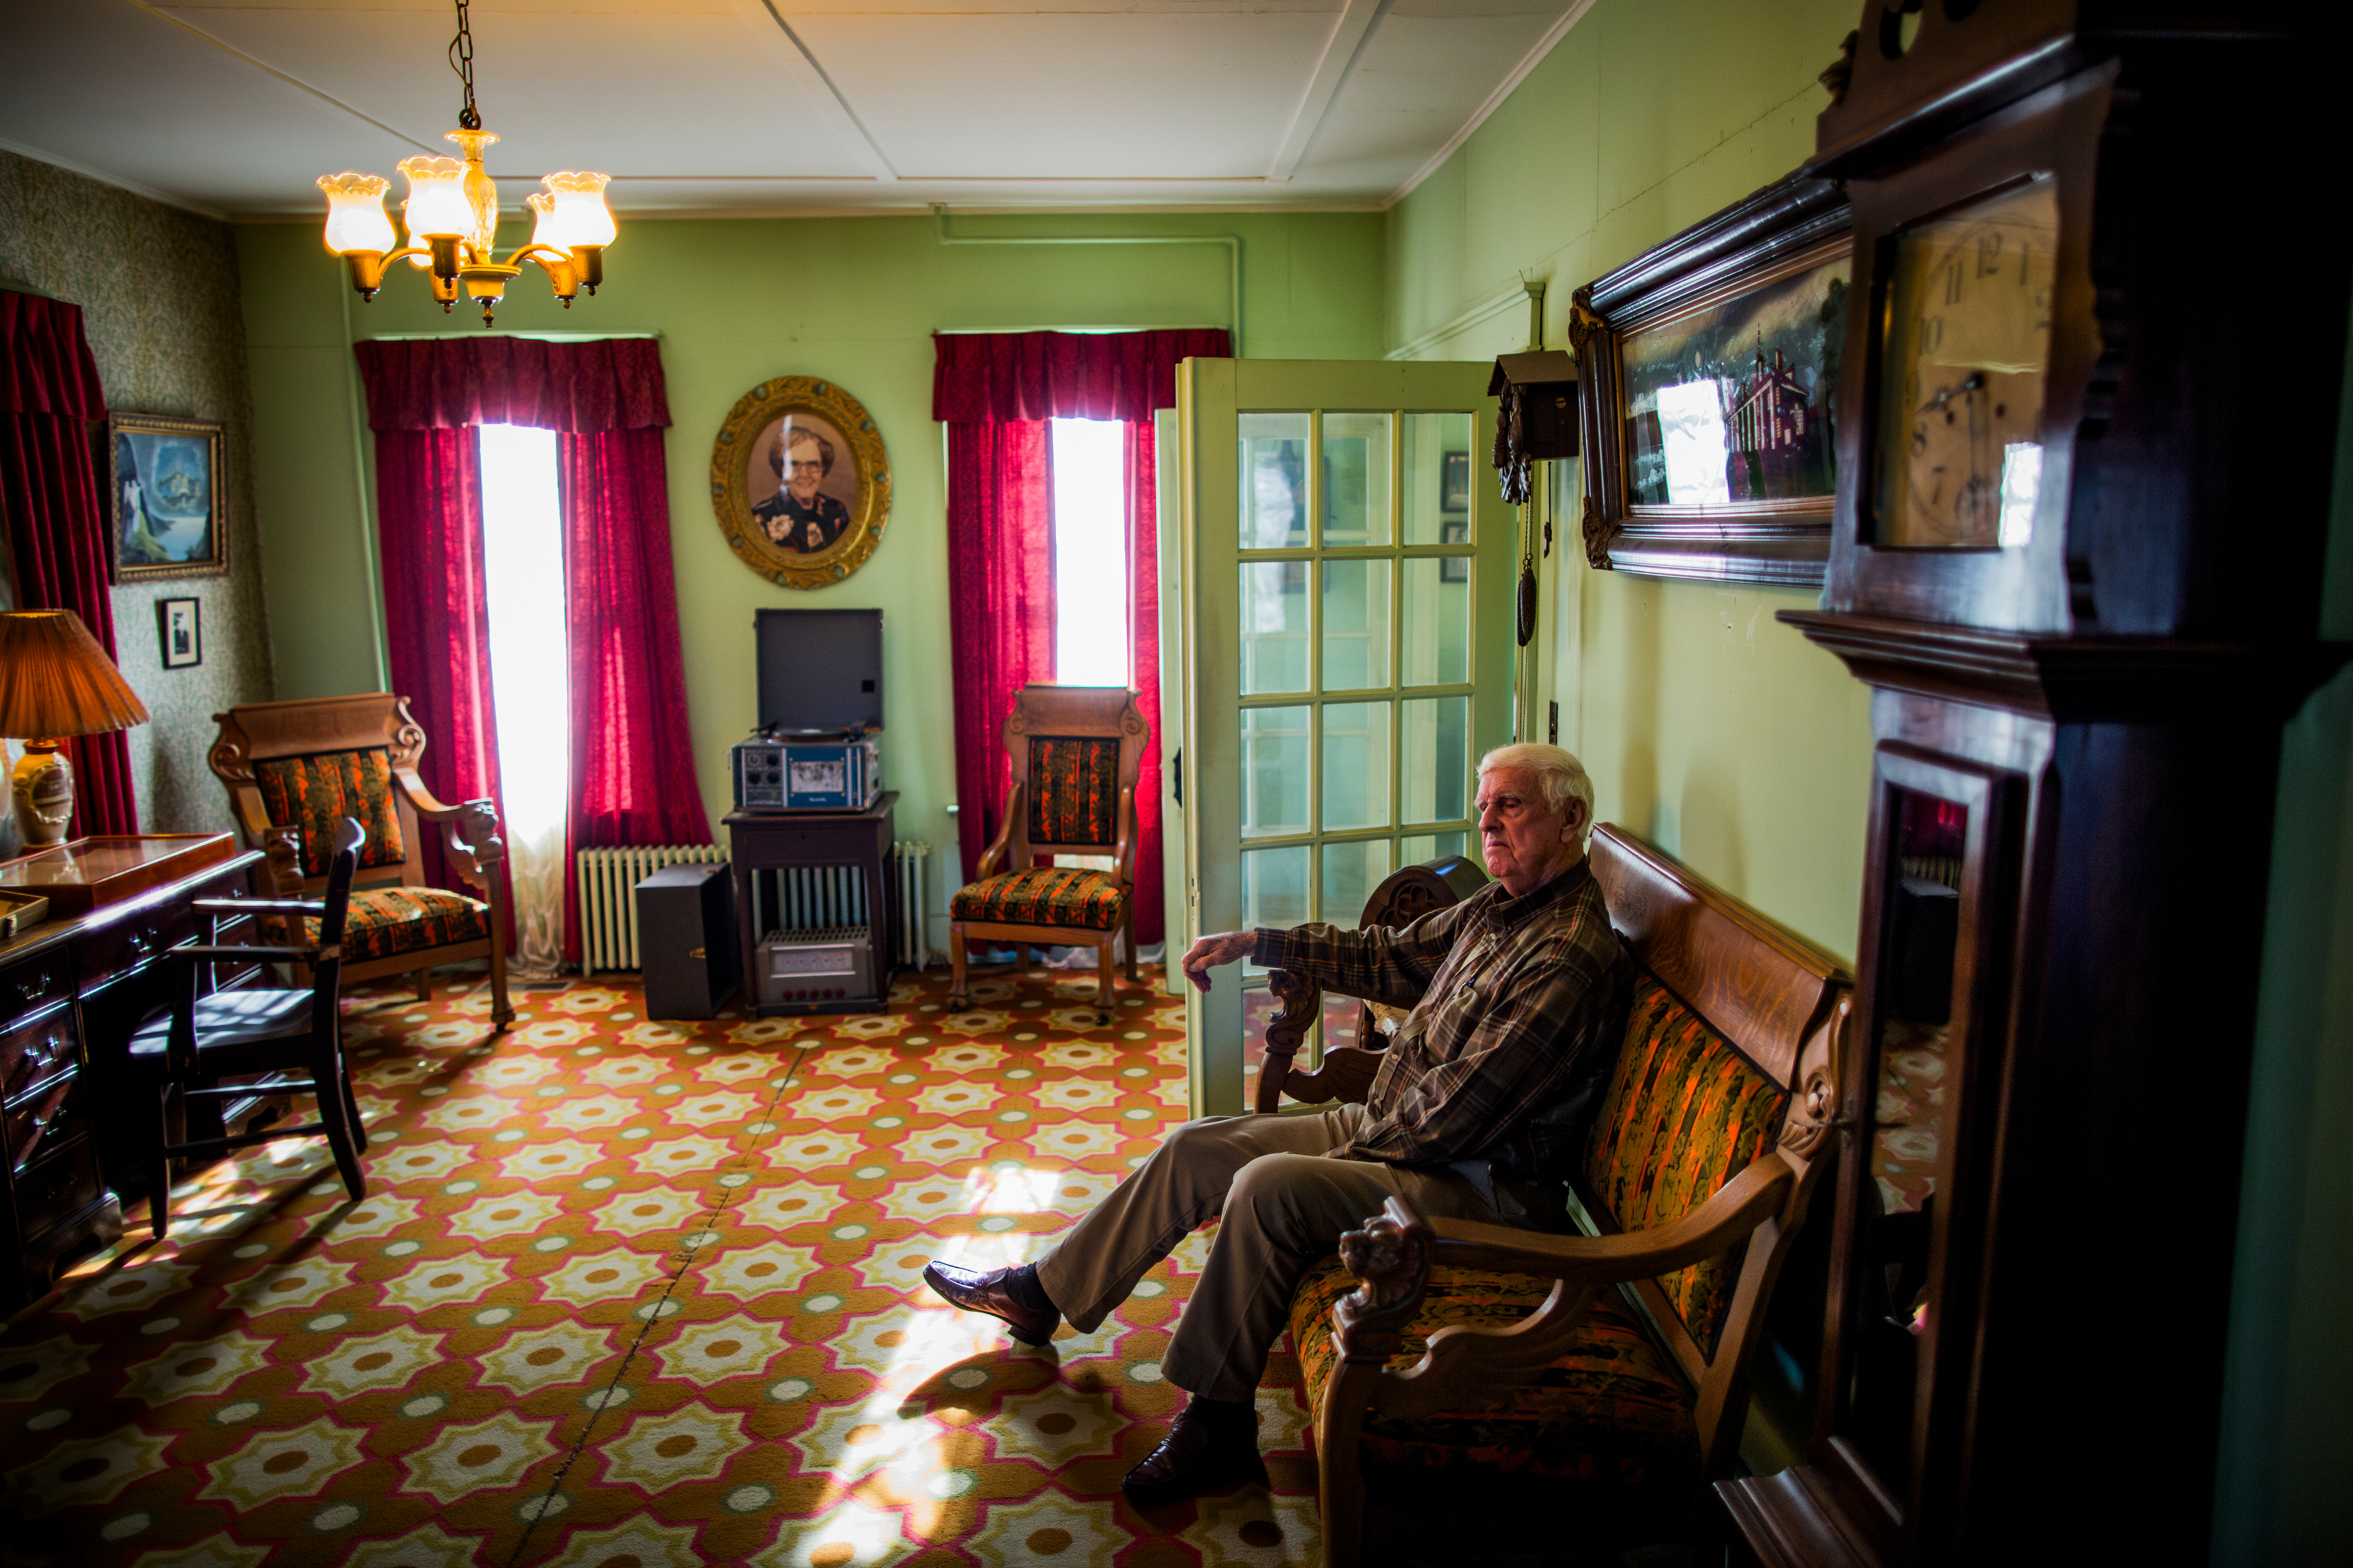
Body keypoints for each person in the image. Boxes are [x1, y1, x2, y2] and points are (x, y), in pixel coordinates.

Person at [923, 743, 1632, 1506]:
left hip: (1480, 1187)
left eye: (1511, 805)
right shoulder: (1503, 907)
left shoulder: (1567, 955)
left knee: (1267, 1185)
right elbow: (1386, 955)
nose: (1488, 821)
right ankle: (1042, 1292)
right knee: (1199, 1146)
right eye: (1484, 804)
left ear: (1571, 819)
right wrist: (1256, 941)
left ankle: (1217, 1422)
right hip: (1404, 1133)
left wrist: (1340, 1152)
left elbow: (1455, 1118)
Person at [752, 425, 852, 552]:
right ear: (783, 469)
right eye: (794, 464)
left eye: (813, 464)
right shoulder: (761, 517)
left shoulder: (836, 511)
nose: (804, 474)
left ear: (823, 468)